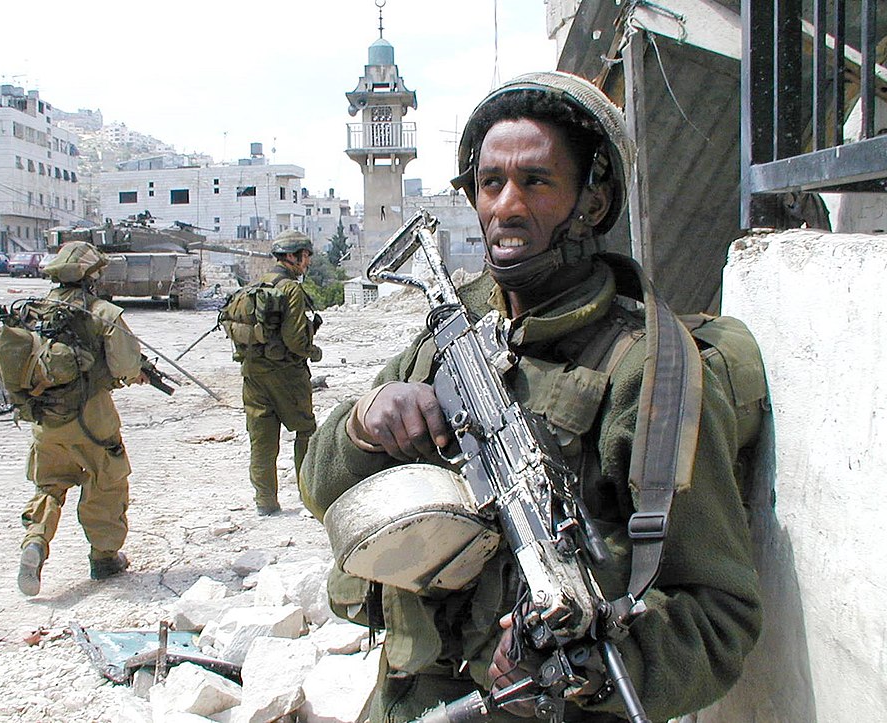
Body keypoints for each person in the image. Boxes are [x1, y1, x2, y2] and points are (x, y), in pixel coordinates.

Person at [300, 72, 761, 722]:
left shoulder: (647, 374)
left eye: (536, 181)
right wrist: (363, 427)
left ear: (593, 202)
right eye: (491, 183)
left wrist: (594, 669)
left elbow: (720, 615)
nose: (506, 206)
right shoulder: (445, 336)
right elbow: (322, 492)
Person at [17, 241, 146, 597]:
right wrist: (132, 374)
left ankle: (35, 542)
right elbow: (125, 366)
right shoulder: (104, 313)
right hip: (92, 417)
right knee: (106, 481)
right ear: (91, 276)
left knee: (50, 486)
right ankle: (104, 558)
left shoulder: (33, 312)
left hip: (46, 419)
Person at [236, 229, 321, 516]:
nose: (307, 261)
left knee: (262, 439)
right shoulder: (291, 289)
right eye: (305, 256)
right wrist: (313, 351)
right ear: (292, 257)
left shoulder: (256, 284)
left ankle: (265, 502)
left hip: (253, 374)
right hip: (286, 374)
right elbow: (296, 340)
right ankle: (310, 495)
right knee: (306, 431)